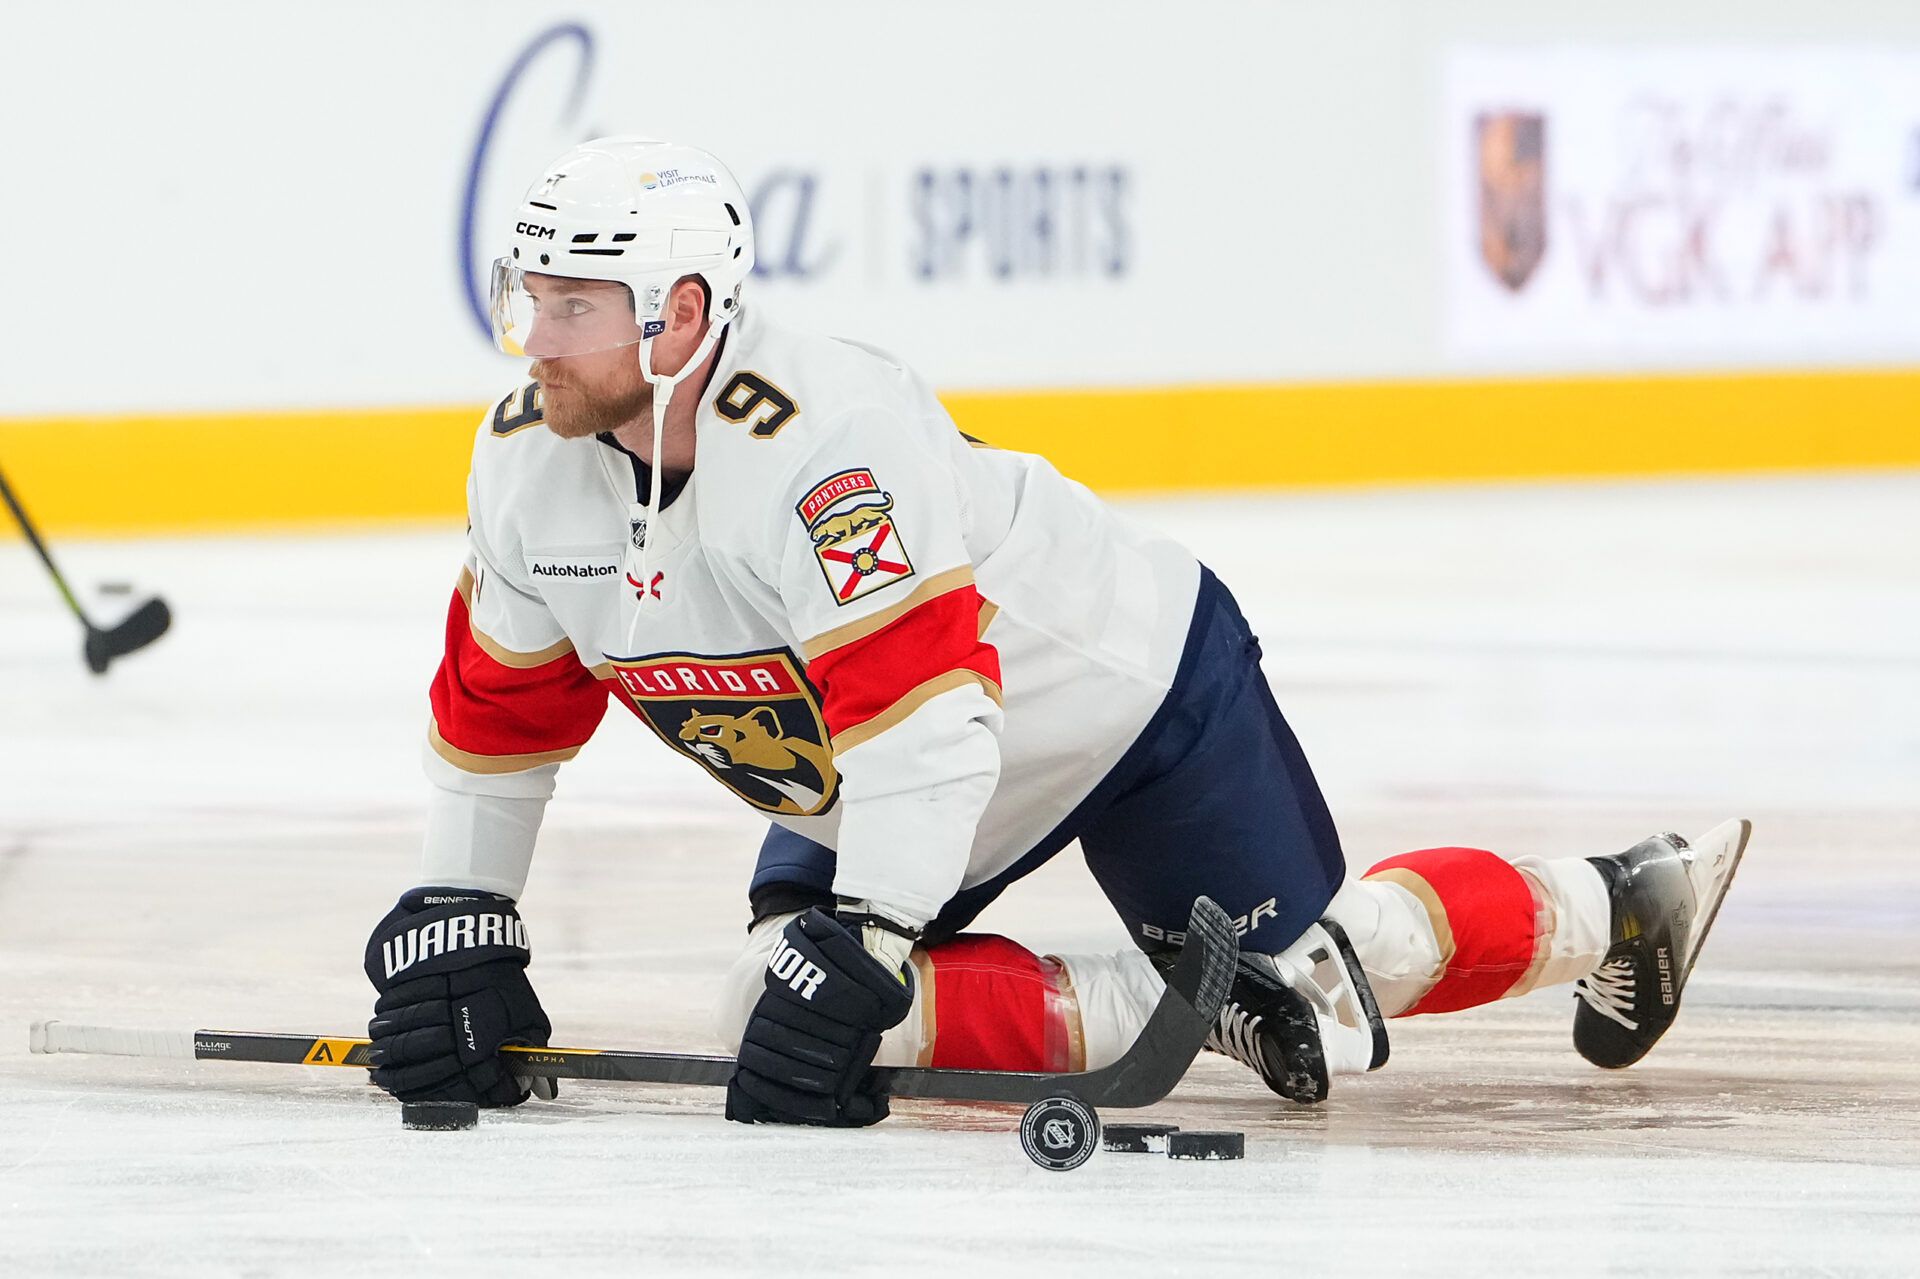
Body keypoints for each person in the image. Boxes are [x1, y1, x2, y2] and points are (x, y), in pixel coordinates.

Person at [362, 137, 1748, 1126]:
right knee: (772, 992)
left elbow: (935, 728)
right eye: (529, 296)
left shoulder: (826, 444)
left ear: (679, 318)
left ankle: (1620, 900)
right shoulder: (524, 462)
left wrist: (872, 936)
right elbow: (498, 718)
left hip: (1121, 699)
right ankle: (1183, 992)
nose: (533, 336)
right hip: (888, 762)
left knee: (1312, 988)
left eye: (573, 305)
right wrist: (460, 918)